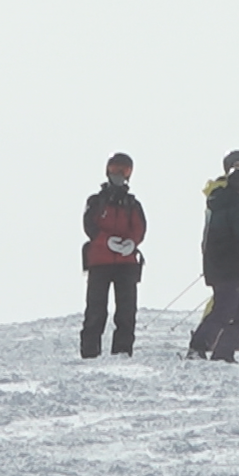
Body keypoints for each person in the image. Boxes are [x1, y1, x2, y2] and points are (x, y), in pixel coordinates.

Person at [80, 153, 146, 358]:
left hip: (126, 264)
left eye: (123, 171)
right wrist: (106, 241)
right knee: (96, 310)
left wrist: (131, 243)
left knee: (127, 311)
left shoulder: (132, 204)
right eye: (115, 169)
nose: (118, 175)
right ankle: (90, 352)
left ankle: (123, 352)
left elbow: (140, 228)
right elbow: (89, 226)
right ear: (107, 171)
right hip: (99, 262)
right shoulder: (96, 201)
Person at [188, 168, 239, 362]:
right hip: (232, 268)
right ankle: (198, 347)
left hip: (215, 266)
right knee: (225, 311)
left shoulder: (216, 205)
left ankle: (222, 353)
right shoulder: (238, 205)